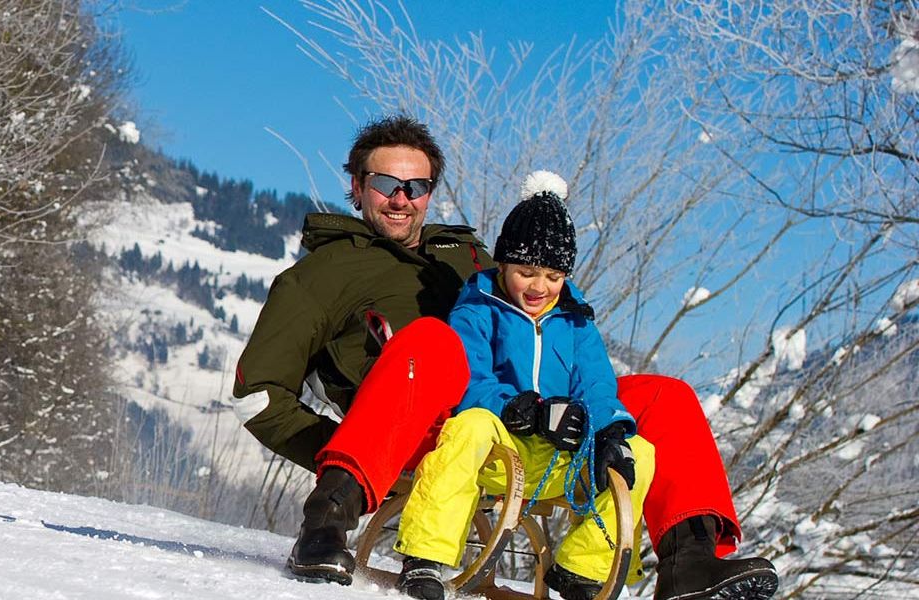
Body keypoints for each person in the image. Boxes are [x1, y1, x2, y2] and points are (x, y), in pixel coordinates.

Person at [230, 116, 776, 599]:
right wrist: (350, 456)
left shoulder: (468, 258)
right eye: (385, 183)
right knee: (433, 339)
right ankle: (327, 521)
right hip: (425, 426)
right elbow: (257, 396)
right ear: (357, 185)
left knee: (665, 397)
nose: (401, 198)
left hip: (521, 414)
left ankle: (691, 561)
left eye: (416, 185)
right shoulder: (322, 274)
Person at [393, 172, 654, 600]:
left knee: (639, 453)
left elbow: (597, 384)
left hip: (559, 459)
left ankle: (581, 570)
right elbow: (468, 379)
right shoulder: (479, 307)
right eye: (527, 272)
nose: (539, 287)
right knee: (469, 426)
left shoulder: (575, 319)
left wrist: (609, 431)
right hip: (497, 452)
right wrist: (523, 409)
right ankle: (425, 556)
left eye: (553, 276)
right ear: (503, 264)